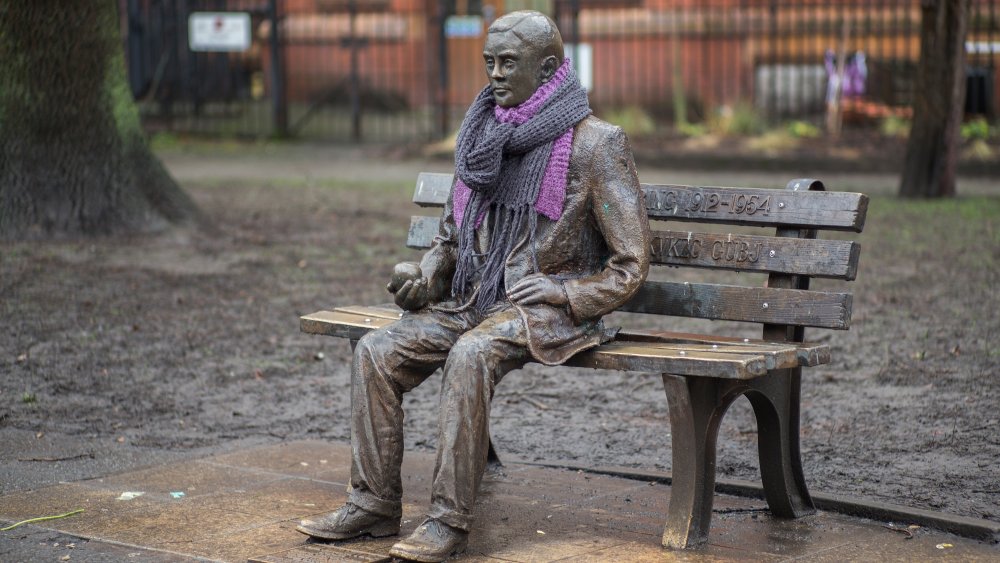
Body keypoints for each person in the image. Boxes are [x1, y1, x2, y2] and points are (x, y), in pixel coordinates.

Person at [297, 10, 650, 562]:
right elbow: (451, 239)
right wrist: (427, 275)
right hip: (473, 297)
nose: (495, 75)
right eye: (489, 63)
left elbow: (631, 265)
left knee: (471, 353)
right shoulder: (482, 133)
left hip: (543, 308)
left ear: (548, 67)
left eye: (509, 63)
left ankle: (447, 522)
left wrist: (565, 294)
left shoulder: (595, 143)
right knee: (375, 350)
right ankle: (372, 503)